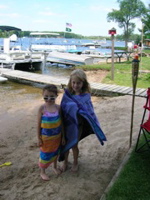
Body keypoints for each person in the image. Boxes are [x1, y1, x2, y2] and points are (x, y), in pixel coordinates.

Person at [59, 69, 106, 172]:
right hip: (67, 124)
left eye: (78, 83)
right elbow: (62, 109)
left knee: (74, 144)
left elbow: (89, 112)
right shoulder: (67, 95)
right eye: (74, 82)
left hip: (78, 125)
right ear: (70, 82)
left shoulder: (85, 96)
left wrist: (78, 110)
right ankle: (65, 161)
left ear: (83, 83)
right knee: (65, 144)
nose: (76, 85)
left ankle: (75, 162)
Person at [37, 84, 62, 180]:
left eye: (52, 97)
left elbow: (62, 123)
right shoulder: (42, 109)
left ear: (56, 96)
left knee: (56, 152)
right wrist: (38, 137)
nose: (49, 99)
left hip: (57, 137)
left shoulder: (58, 108)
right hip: (45, 138)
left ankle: (54, 167)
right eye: (46, 97)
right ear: (43, 95)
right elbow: (38, 124)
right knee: (45, 154)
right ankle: (42, 172)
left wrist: (63, 137)